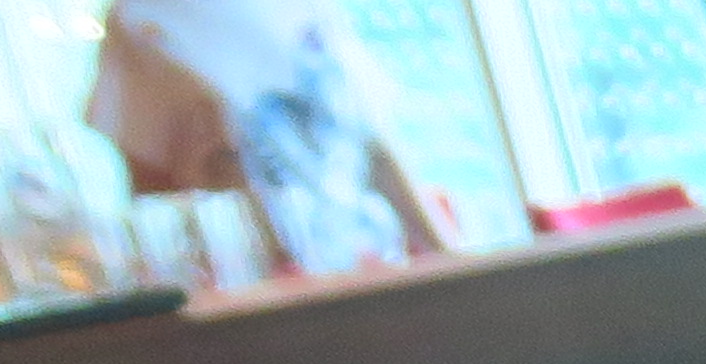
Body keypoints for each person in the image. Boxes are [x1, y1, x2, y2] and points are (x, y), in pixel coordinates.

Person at [87, 0, 455, 272]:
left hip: (374, 274)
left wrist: (450, 261)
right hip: (266, 305)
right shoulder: (140, 20)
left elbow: (371, 144)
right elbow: (155, 204)